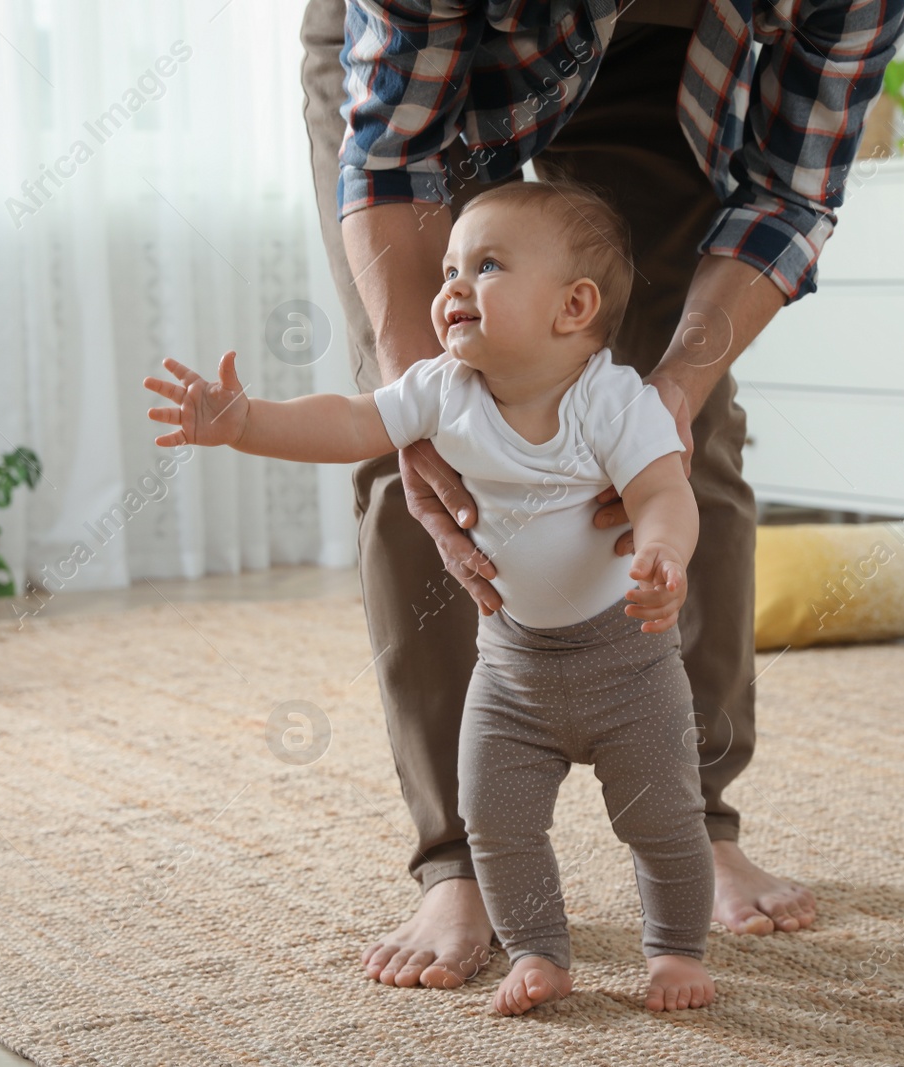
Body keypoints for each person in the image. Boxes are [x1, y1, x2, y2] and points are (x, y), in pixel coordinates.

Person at [299, 0, 904, 988]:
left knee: (680, 436)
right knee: (414, 421)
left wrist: (671, 395)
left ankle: (694, 817)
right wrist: (418, 400)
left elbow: (785, 196)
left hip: (671, 66)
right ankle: (457, 858)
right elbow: (392, 153)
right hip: (429, 68)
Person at [147, 178, 717, 1013]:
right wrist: (245, 422)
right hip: (514, 670)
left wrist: (664, 551)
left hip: (629, 668)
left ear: (574, 305)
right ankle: (538, 951)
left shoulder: (612, 400)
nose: (449, 287)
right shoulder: (442, 389)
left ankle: (673, 949)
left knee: (663, 821)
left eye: (484, 266)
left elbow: (666, 492)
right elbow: (346, 421)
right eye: (448, 266)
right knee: (496, 821)